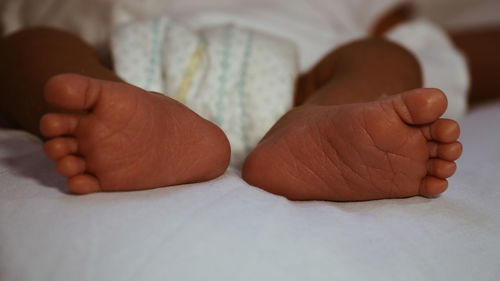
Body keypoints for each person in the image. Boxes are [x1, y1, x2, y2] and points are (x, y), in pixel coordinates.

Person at [0, 2, 498, 201]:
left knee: (383, 54)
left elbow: (445, 44)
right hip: (122, 85)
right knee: (33, 49)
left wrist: (391, 27)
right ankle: (154, 132)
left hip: (303, 88)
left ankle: (324, 126)